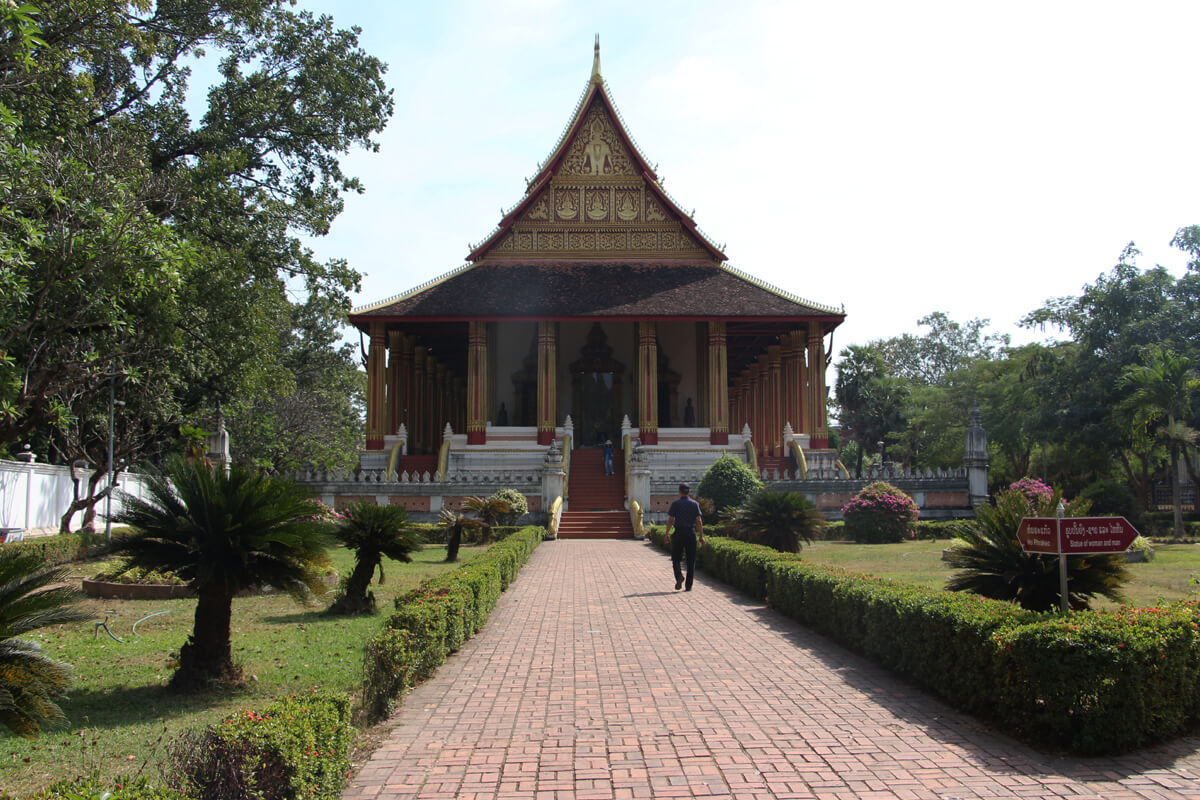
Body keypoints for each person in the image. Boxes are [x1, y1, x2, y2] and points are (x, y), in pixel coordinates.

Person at [663, 483, 705, 591]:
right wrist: (701, 536)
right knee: (691, 560)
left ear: (679, 491)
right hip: (691, 533)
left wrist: (667, 533)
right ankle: (688, 586)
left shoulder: (676, 504)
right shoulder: (694, 504)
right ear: (688, 492)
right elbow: (699, 521)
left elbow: (671, 520)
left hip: (679, 533)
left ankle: (679, 576)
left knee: (676, 558)